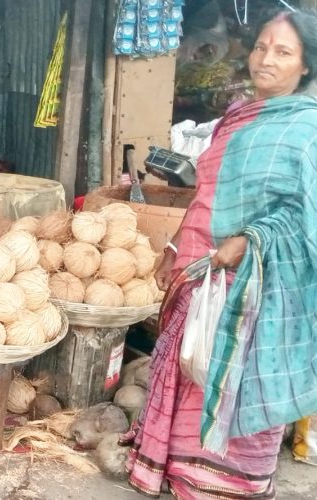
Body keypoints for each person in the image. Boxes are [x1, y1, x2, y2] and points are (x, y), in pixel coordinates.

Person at [123, 10, 317, 499]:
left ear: (306, 67)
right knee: (193, 364)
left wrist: (251, 238)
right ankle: (181, 465)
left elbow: (305, 214)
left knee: (237, 376)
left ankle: (230, 480)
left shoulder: (308, 130)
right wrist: (176, 245)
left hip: (259, 282)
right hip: (203, 264)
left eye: (283, 52)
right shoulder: (235, 117)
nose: (265, 60)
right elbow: (207, 193)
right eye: (261, 47)